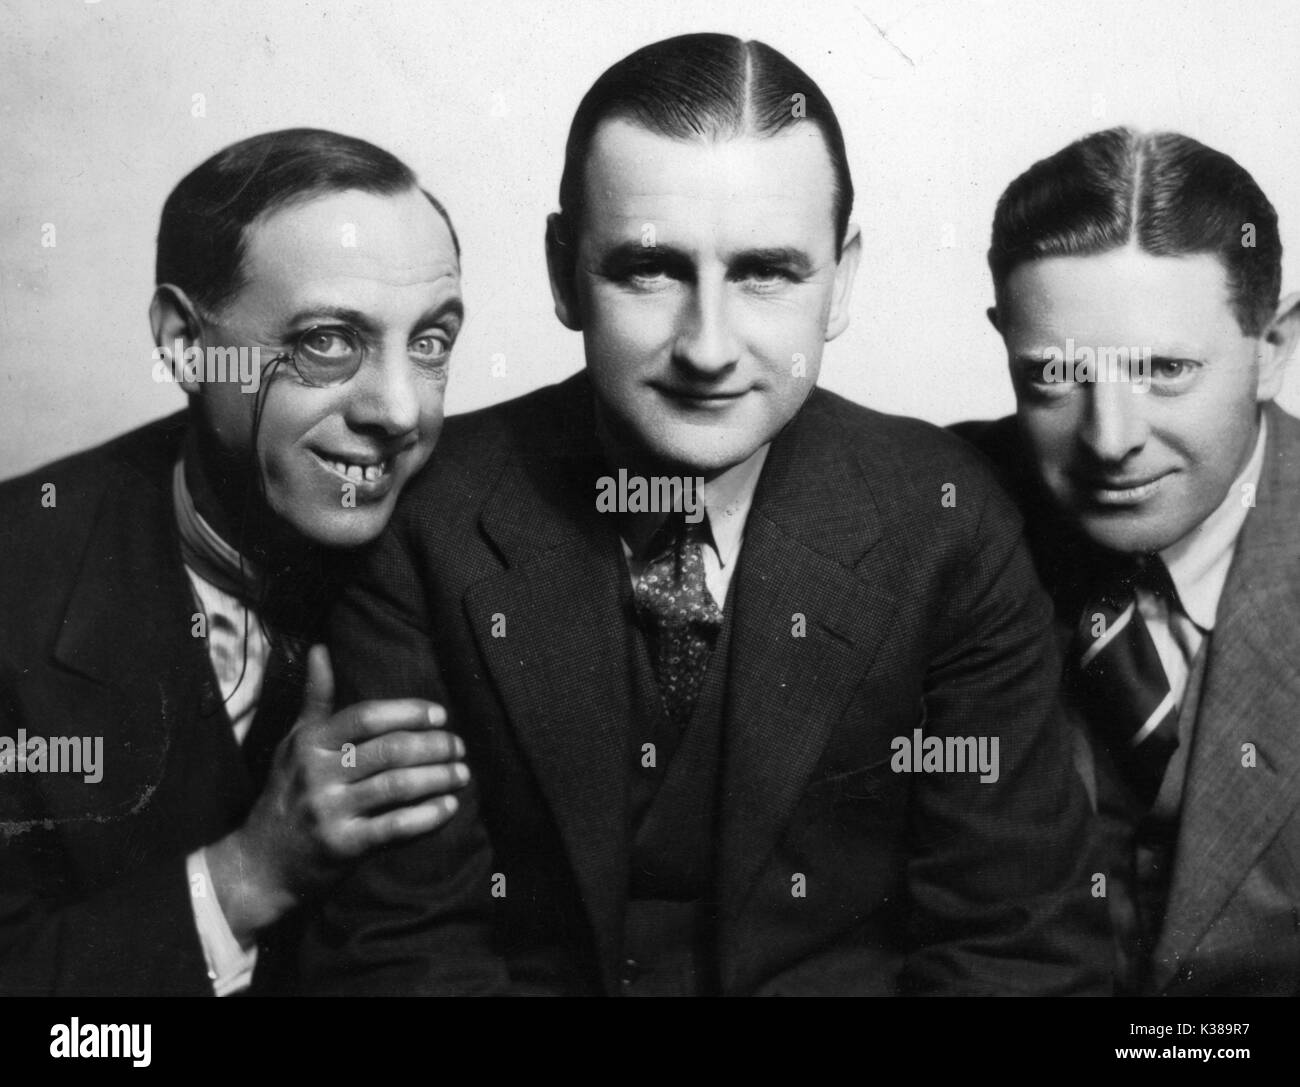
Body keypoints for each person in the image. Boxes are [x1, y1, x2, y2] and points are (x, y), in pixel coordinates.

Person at [308, 34, 1110, 996]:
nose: (710, 346)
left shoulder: (948, 523)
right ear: (564, 272)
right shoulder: (425, 518)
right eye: (649, 270)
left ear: (842, 281)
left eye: (767, 271)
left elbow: (1013, 947)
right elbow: (405, 951)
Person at [0, 128, 474, 996]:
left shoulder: (482, 544)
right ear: (184, 342)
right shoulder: (17, 577)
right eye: (328, 342)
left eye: (432, 341)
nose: (401, 409)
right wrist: (248, 874)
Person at [958, 127, 1300, 995]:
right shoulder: (927, 520)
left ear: (1274, 347)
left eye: (1166, 370)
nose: (1111, 439)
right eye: (1054, 376)